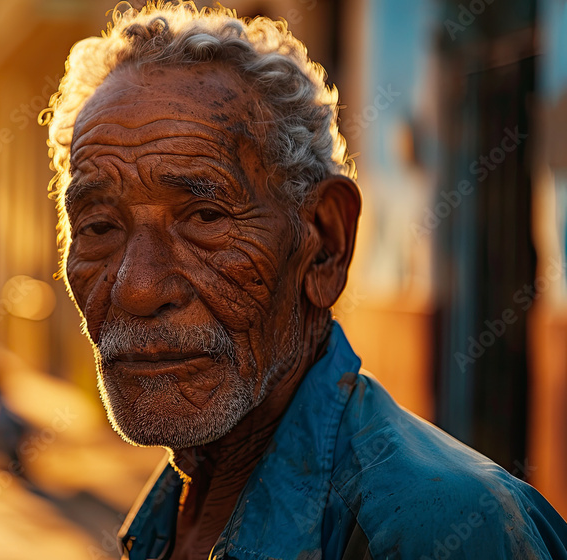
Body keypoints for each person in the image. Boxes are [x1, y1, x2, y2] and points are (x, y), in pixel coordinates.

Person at [42, 3, 567, 559]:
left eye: (205, 218)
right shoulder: (169, 518)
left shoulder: (443, 531)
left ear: (324, 245)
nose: (137, 289)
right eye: (99, 226)